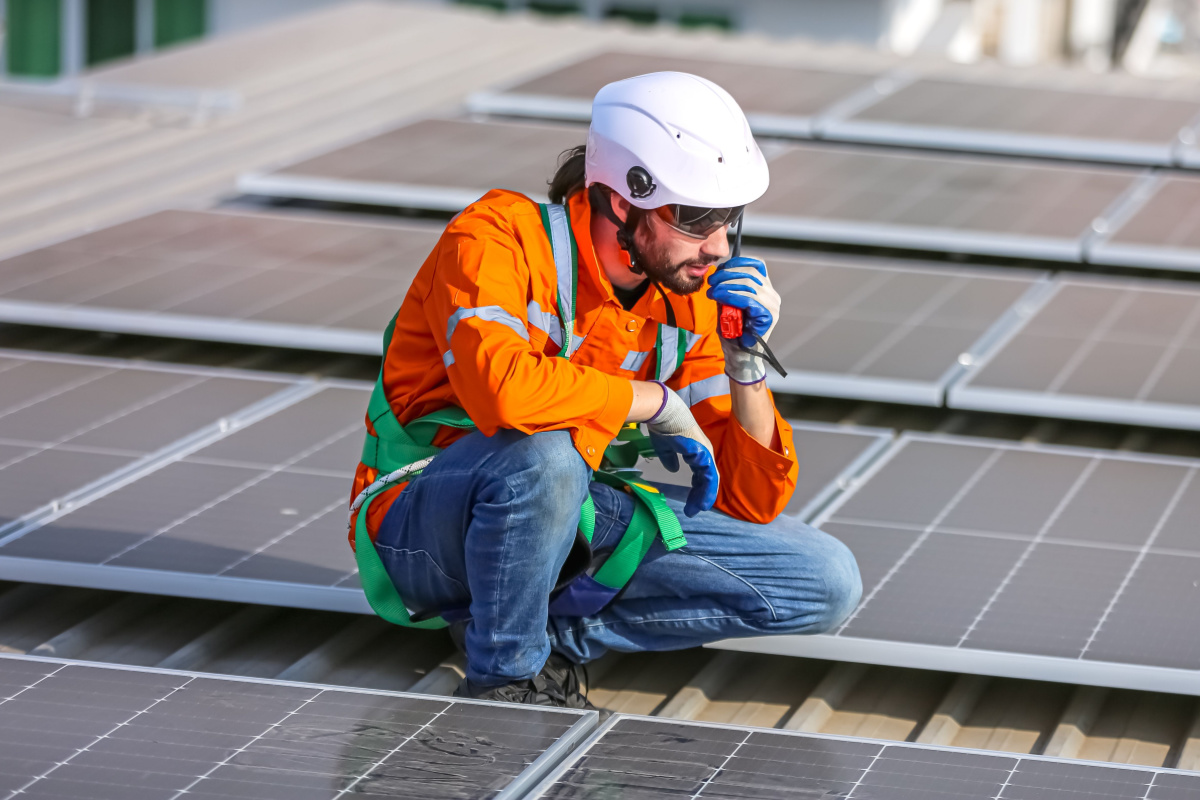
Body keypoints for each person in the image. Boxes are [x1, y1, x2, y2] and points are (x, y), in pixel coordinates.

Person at [347, 71, 862, 708]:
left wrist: (745, 362)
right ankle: (509, 679)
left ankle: (537, 626)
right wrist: (654, 402)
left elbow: (751, 499)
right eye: (697, 218)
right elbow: (502, 393)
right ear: (623, 200)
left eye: (730, 219)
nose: (718, 246)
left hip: (570, 515)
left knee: (824, 579)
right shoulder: (497, 238)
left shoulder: (689, 298)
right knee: (547, 457)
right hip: (425, 524)